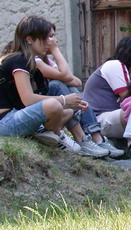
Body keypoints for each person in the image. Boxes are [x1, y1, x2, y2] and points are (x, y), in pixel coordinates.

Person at [0, 16, 86, 152]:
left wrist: (70, 104)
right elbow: (28, 99)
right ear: (29, 39)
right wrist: (64, 100)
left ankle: (45, 133)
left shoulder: (30, 62)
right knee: (54, 105)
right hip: (5, 121)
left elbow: (72, 79)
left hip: (17, 114)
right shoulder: (18, 60)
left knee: (68, 111)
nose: (51, 42)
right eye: (46, 37)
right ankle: (51, 134)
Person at [33, 23, 110, 157]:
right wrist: (55, 50)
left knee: (71, 88)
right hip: (37, 105)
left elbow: (76, 81)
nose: (54, 41)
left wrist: (61, 76)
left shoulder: (47, 61)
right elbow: (66, 76)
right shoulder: (35, 59)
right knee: (57, 85)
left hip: (49, 103)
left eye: (54, 36)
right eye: (50, 36)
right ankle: (83, 138)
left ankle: (95, 137)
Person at [82, 36, 131, 156]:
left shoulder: (129, 72)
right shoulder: (115, 65)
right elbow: (128, 100)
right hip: (97, 121)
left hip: (109, 117)